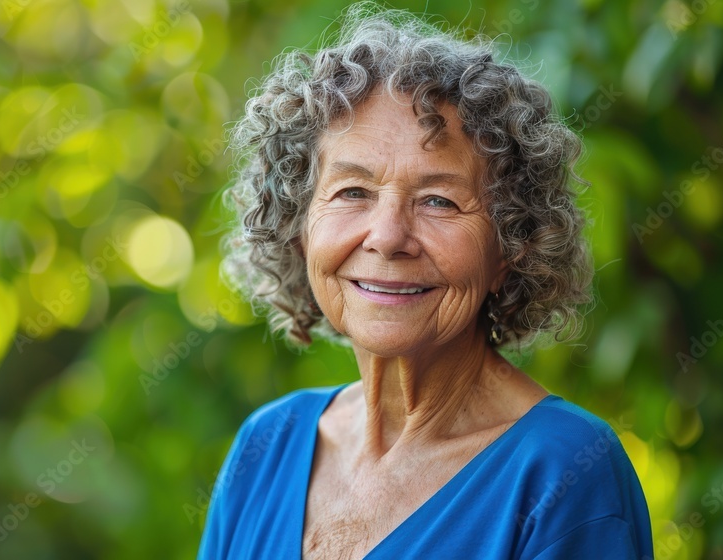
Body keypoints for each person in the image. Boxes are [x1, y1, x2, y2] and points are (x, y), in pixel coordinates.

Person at [199, 4, 653, 559]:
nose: (388, 237)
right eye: (352, 193)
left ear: (512, 246)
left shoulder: (564, 471)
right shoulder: (266, 445)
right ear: (299, 227)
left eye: (438, 200)